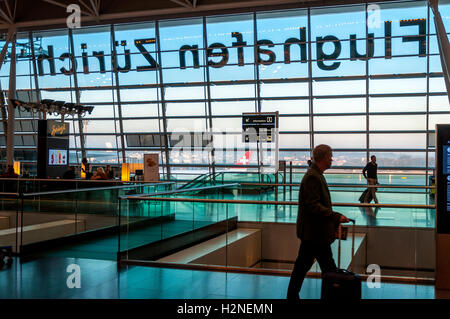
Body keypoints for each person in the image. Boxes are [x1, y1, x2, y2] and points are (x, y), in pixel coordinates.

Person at [287, 144, 350, 301]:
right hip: (314, 233)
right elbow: (313, 206)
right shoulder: (313, 177)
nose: (332, 159)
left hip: (314, 233)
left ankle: (293, 295)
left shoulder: (315, 174)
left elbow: (313, 206)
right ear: (323, 157)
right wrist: (335, 216)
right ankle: (333, 295)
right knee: (323, 266)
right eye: (330, 156)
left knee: (307, 265)